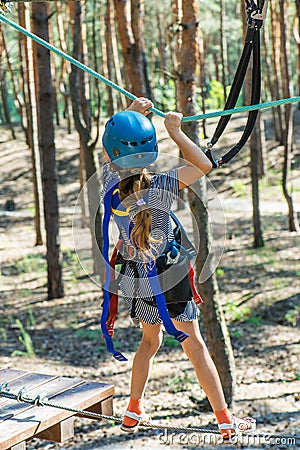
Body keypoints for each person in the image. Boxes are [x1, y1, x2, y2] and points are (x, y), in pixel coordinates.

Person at [101, 97, 256, 440]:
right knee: (195, 346)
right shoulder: (162, 186)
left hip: (137, 278)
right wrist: (175, 131)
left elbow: (109, 154)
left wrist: (131, 113)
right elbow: (201, 165)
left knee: (149, 342)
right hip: (168, 278)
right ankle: (224, 418)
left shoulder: (107, 188)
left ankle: (133, 408)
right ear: (151, 150)